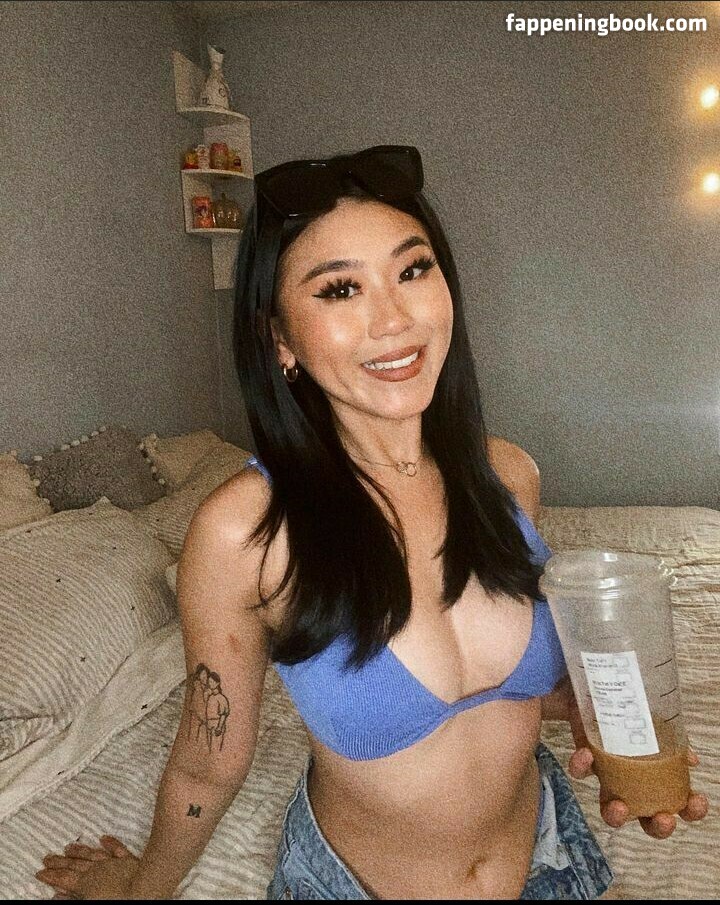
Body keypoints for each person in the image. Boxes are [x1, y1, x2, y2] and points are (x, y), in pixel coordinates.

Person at [36, 145, 708, 901]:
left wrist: (596, 722)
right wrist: (143, 888)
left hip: (547, 859)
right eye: (340, 289)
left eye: (413, 270)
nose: (393, 319)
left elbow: (504, 688)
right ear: (280, 340)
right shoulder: (245, 533)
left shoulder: (507, 476)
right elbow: (208, 757)